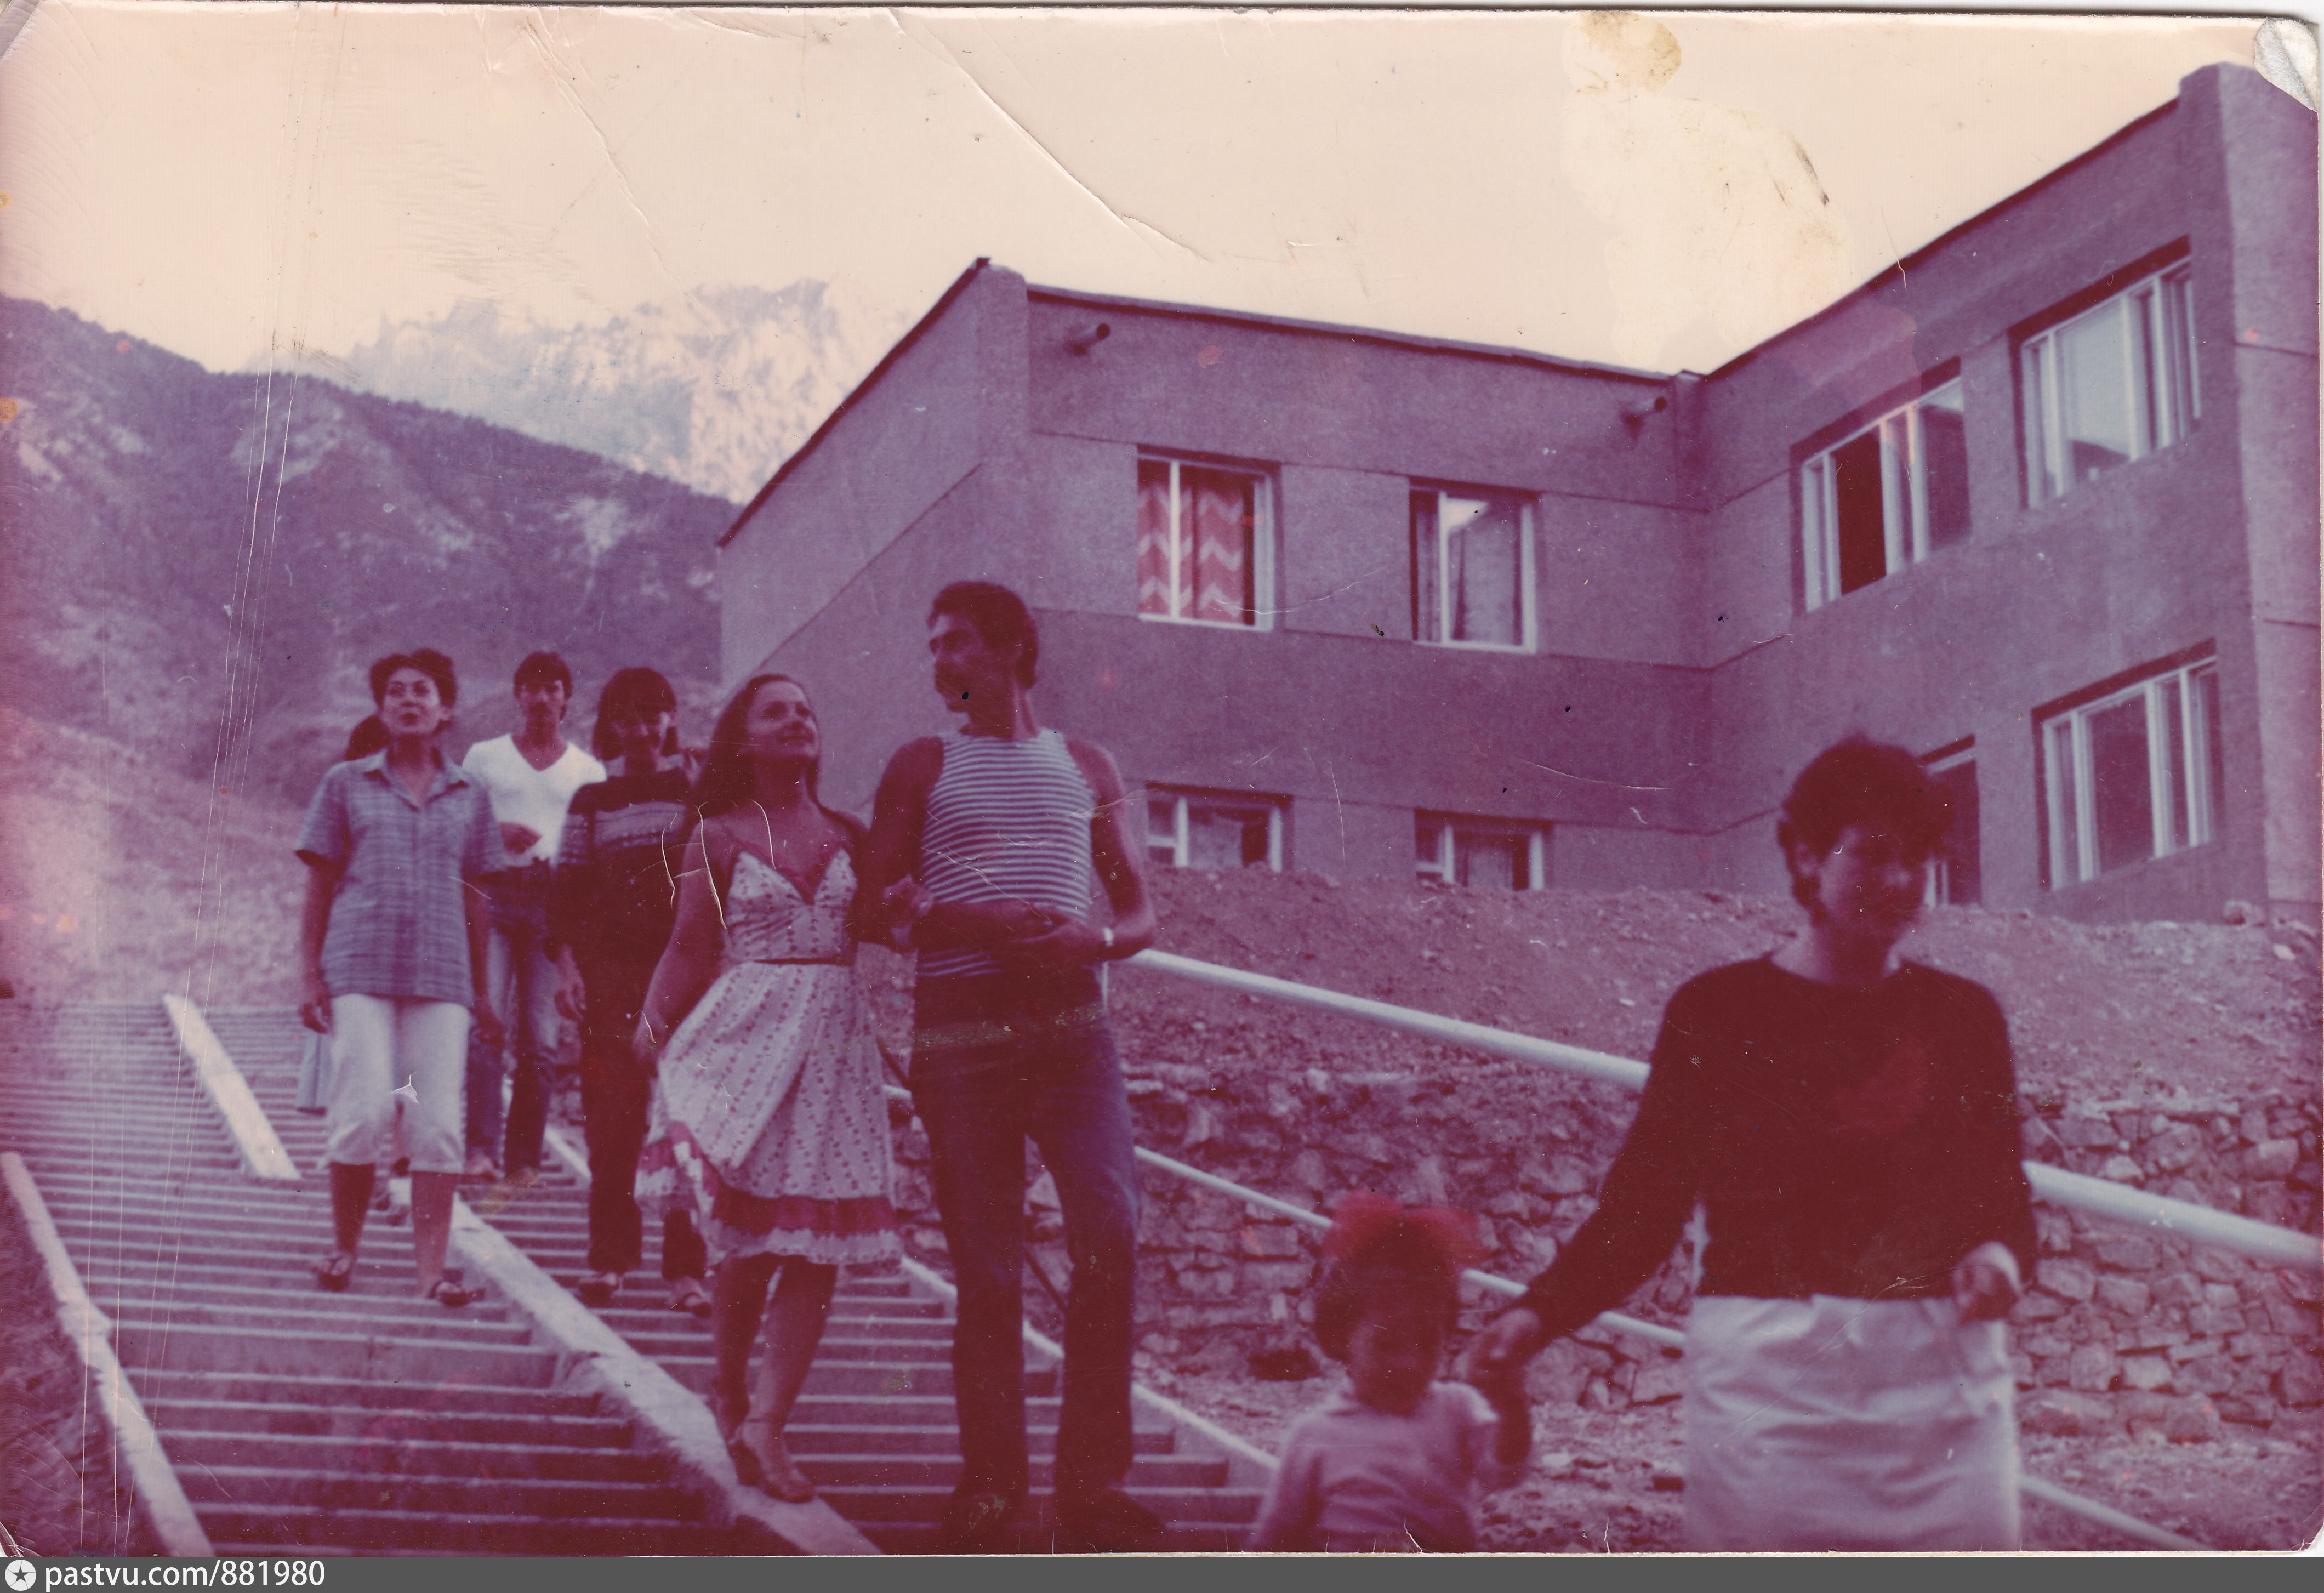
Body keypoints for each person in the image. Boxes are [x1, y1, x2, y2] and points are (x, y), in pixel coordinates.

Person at [1461, 737, 2037, 1552]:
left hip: (1942, 1394)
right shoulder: (1716, 1013)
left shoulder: (1967, 1018)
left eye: (1918, 858)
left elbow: (2004, 1204)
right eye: (1874, 853)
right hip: (1772, 1400)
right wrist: (1537, 1314)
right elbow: (1642, 1209)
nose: (1901, 880)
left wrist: (1998, 1259)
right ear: (1805, 854)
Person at [855, 581, 1161, 1552]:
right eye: (934, 646)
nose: (940, 663)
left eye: (957, 643)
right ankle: (991, 1484)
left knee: (1110, 1227)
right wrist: (974, 919)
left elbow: (1140, 913)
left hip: (1072, 1024)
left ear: (1013, 649)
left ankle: (1093, 1488)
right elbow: (873, 905)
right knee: (988, 1266)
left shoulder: (1088, 764)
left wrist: (1092, 940)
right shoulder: (922, 763)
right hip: (961, 1028)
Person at [633, 674, 899, 1504]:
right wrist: (650, 1027)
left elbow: (883, 927)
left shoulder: (851, 834)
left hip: (835, 1050)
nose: (797, 719)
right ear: (742, 741)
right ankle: (726, 1381)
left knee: (816, 1237)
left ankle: (768, 1423)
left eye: (806, 709)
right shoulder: (714, 836)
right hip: (744, 1038)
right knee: (751, 1234)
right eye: (776, 711)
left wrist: (907, 907)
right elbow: (688, 946)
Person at [297, 650, 502, 1307]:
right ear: (381, 708)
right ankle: (344, 1248)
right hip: (358, 968)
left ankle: (430, 1273)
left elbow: (477, 898)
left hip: (443, 976)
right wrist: (308, 973)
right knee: (362, 1112)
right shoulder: (345, 783)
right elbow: (320, 883)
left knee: (436, 1126)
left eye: (422, 691)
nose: (409, 700)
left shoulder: (471, 794)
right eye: (396, 692)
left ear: (446, 709)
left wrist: (484, 991)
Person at [547, 667, 711, 1316]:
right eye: (626, 718)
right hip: (609, 981)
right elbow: (566, 894)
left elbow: (722, 873)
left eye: (652, 715)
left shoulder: (693, 791)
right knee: (612, 1121)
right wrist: (568, 969)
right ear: (610, 726)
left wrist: (708, 785)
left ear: (669, 719)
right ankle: (610, 1258)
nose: (640, 730)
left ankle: (686, 1271)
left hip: (684, 976)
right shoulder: (592, 800)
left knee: (683, 1121)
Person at [1246, 1194, 1530, 1553]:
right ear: (1341, 1337)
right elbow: (1275, 1540)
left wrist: (1510, 1403)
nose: (1409, 1362)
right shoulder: (1314, 1436)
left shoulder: (1458, 1411)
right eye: (1387, 1343)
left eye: (1427, 1344)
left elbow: (1506, 1472)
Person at [459, 651, 606, 1184]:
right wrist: (496, 833)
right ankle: (480, 1150)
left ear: (567, 699)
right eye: (532, 688)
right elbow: (457, 820)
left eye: (552, 689)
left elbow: (593, 852)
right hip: (494, 899)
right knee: (487, 1025)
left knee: (540, 1039)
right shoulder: (484, 758)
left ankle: (523, 1160)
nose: (542, 698)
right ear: (517, 695)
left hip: (552, 908)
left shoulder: (588, 771)